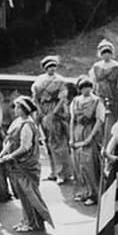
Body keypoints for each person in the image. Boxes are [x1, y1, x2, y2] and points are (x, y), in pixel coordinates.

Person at [0, 96, 53, 233]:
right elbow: (10, 140)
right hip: (17, 164)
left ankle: (33, 222)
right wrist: (4, 151)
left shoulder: (28, 125)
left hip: (27, 165)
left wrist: (10, 156)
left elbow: (25, 147)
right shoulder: (17, 122)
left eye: (18, 107)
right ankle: (27, 220)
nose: (15, 110)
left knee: (29, 194)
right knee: (21, 193)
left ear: (25, 109)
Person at [31, 55, 72, 183]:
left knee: (58, 141)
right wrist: (39, 110)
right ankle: (53, 171)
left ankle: (62, 172)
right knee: (48, 141)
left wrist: (53, 113)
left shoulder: (60, 80)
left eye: (53, 66)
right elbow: (35, 97)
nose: (52, 69)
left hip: (55, 111)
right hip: (43, 110)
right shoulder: (39, 80)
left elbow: (62, 99)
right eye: (49, 67)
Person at [68, 76, 105, 205]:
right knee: (78, 164)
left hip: (90, 131)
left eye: (88, 87)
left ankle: (93, 194)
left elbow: (99, 120)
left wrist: (90, 137)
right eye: (83, 88)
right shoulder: (76, 101)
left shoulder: (97, 101)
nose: (86, 90)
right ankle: (82, 192)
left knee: (89, 164)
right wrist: (71, 137)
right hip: (78, 131)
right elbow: (72, 120)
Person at [89, 39, 118, 145]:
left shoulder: (117, 67)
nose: (106, 55)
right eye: (103, 53)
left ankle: (110, 145)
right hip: (99, 96)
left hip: (113, 97)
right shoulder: (96, 67)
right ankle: (99, 144)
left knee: (111, 122)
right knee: (99, 120)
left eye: (108, 53)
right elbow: (93, 83)